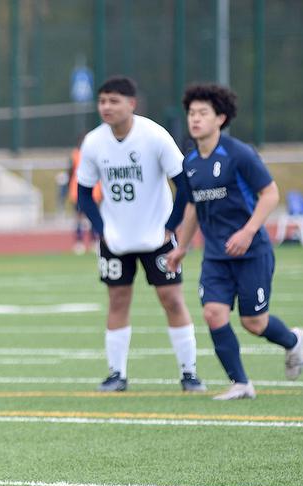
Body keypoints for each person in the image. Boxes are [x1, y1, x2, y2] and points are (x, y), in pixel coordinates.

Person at [166, 83, 303, 400]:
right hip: (216, 255)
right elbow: (192, 207)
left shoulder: (239, 154)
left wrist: (247, 231)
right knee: (213, 313)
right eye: (191, 113)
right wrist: (182, 247)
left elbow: (270, 194)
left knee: (254, 322)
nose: (195, 119)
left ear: (221, 118)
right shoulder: (190, 163)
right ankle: (241, 383)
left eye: (203, 113)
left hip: (251, 252)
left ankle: (292, 340)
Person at [75, 75, 204, 393]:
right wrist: (102, 230)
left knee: (172, 299)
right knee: (117, 300)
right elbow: (82, 193)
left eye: (114, 100)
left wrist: (170, 227)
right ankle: (116, 374)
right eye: (102, 100)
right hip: (116, 241)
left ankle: (189, 373)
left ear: (131, 104)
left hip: (156, 238)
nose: (106, 107)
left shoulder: (154, 136)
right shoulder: (93, 142)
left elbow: (185, 185)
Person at [68, 138, 102, 254]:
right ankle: (79, 242)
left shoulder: (96, 154)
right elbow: (70, 172)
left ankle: (94, 241)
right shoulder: (75, 155)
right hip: (77, 191)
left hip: (94, 191)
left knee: (92, 216)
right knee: (79, 217)